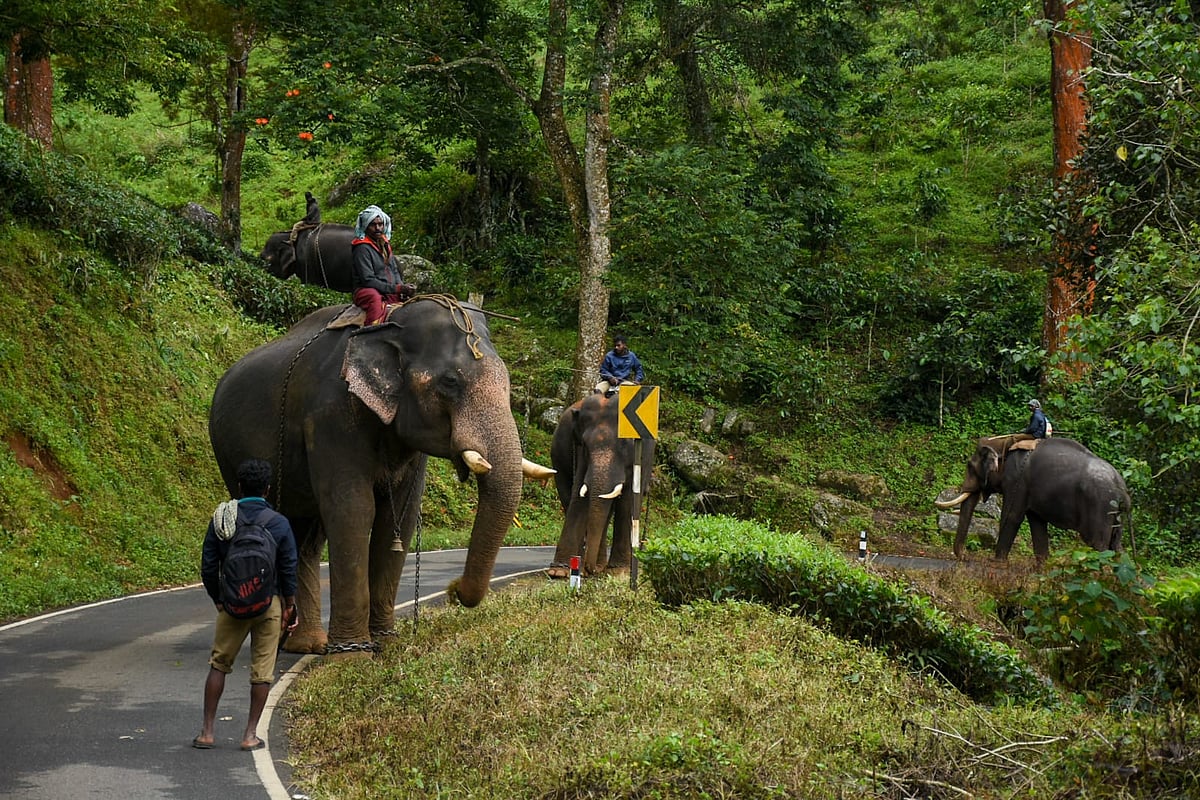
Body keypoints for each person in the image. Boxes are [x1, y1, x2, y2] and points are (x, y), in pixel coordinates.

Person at [193, 458, 299, 752]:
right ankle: (250, 735)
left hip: (232, 605)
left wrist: (219, 598)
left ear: (239, 487)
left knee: (219, 664)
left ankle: (207, 732)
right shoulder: (279, 523)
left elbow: (208, 565)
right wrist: (290, 605)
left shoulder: (223, 520)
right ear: (267, 489)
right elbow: (289, 568)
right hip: (269, 605)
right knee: (262, 672)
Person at [351, 205, 416, 325]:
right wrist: (396, 289)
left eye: (380, 224)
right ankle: (371, 331)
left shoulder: (384, 244)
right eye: (373, 225)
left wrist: (401, 288)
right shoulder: (362, 248)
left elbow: (394, 270)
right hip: (367, 290)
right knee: (375, 299)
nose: (377, 228)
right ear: (365, 226)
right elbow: (367, 280)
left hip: (386, 289)